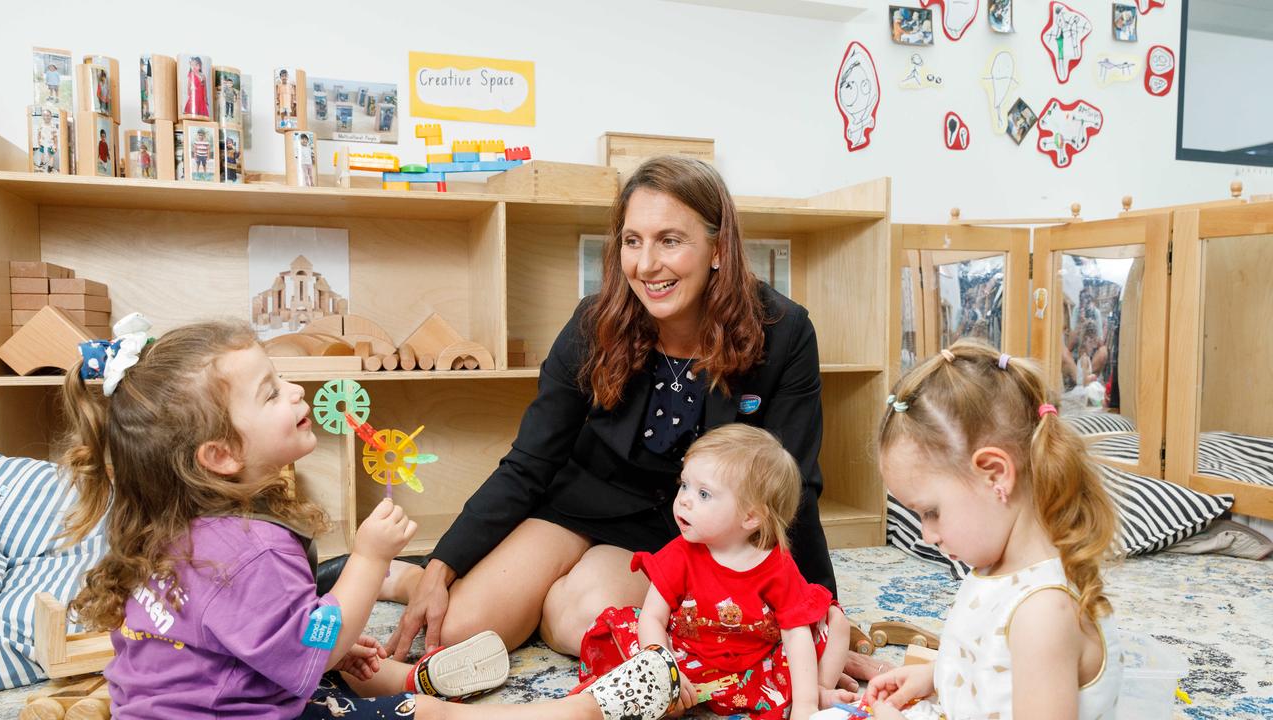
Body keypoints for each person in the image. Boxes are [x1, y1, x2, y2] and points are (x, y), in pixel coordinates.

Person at [371, 156, 884, 685]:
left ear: (719, 248)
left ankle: (539, 591)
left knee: (578, 616)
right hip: (580, 506)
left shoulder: (785, 332)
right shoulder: (594, 322)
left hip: (684, 530)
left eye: (669, 240)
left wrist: (818, 614)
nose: (646, 265)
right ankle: (414, 576)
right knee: (458, 630)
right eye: (632, 241)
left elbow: (793, 487)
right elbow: (528, 462)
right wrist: (442, 567)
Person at [61, 318, 510, 718]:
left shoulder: (172, 529)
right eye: (271, 392)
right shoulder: (252, 551)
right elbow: (318, 644)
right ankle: (564, 713)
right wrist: (370, 558)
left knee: (341, 668)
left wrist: (317, 648)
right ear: (222, 454)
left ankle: (407, 677)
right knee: (420, 713)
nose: (295, 391)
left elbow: (237, 628)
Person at [861, 341, 1121, 718]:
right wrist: (937, 675)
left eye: (931, 512)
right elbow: (998, 667)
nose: (925, 535)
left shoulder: (1044, 613)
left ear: (995, 475)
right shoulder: (996, 567)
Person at [578, 424, 858, 719]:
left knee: (834, 621)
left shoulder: (776, 565)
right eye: (684, 485)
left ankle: (818, 689)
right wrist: (665, 669)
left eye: (703, 494)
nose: (684, 499)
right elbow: (652, 617)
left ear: (751, 516)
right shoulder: (680, 553)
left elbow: (795, 636)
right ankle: (670, 692)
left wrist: (804, 706)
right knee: (623, 631)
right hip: (687, 659)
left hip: (757, 666)